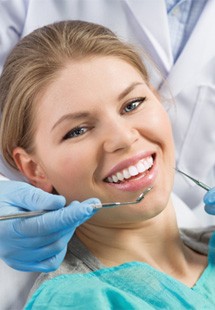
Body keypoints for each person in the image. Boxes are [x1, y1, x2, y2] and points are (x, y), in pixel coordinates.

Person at [0, 0, 214, 308]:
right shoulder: (81, 300)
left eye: (133, 104)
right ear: (34, 168)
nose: (123, 138)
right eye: (77, 131)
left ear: (157, 97)